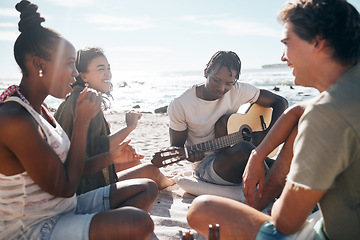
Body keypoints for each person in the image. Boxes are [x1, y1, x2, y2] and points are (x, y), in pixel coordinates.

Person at [187, 0, 360, 239]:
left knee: (202, 209)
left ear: (318, 43)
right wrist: (258, 153)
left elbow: (286, 223)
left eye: (287, 44)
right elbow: (300, 109)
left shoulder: (326, 115)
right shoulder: (346, 94)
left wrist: (282, 187)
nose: (282, 57)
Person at [0, 1, 157, 239]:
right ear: (39, 65)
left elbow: (68, 170)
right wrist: (82, 123)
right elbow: (64, 187)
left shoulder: (40, 110)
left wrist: (110, 157)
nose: (75, 73)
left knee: (147, 188)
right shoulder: (14, 120)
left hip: (66, 208)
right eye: (68, 63)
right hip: (32, 227)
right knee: (139, 223)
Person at [55, 47, 174, 194]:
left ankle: (167, 178)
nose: (108, 73)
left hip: (74, 174)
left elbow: (87, 147)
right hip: (85, 186)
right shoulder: (87, 102)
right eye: (101, 69)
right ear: (84, 76)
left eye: (108, 68)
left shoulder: (71, 99)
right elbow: (97, 148)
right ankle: (171, 182)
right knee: (150, 170)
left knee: (134, 162)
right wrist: (129, 127)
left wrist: (118, 154)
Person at [168, 50, 288, 186]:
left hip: (240, 156)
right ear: (206, 72)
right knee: (245, 149)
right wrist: (190, 156)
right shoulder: (180, 104)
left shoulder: (238, 90)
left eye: (228, 83)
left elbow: (281, 102)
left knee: (286, 168)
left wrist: (267, 135)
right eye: (216, 80)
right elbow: (176, 148)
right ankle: (277, 191)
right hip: (207, 167)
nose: (221, 88)